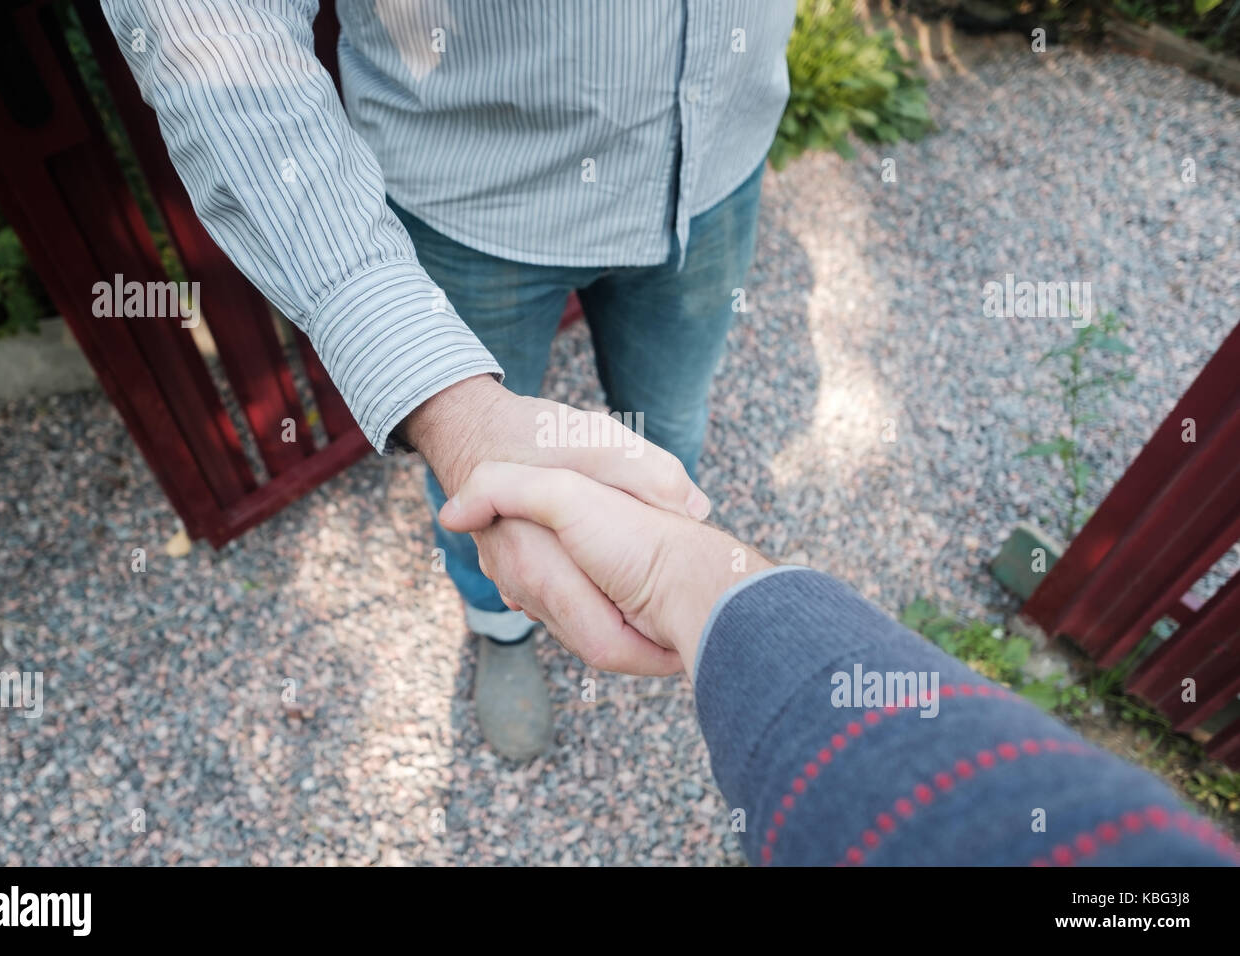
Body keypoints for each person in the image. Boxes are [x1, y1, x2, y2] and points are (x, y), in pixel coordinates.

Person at [102, 0, 799, 759]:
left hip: (719, 166)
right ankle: (501, 623)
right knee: (482, 478)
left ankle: (665, 563)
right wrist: (436, 394)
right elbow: (211, 23)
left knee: (670, 415)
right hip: (473, 200)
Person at [439, 461, 1240, 866]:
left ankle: (626, 536)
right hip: (486, 222)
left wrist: (667, 567)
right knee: (512, 514)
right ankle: (502, 624)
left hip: (709, 196)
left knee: (659, 440)